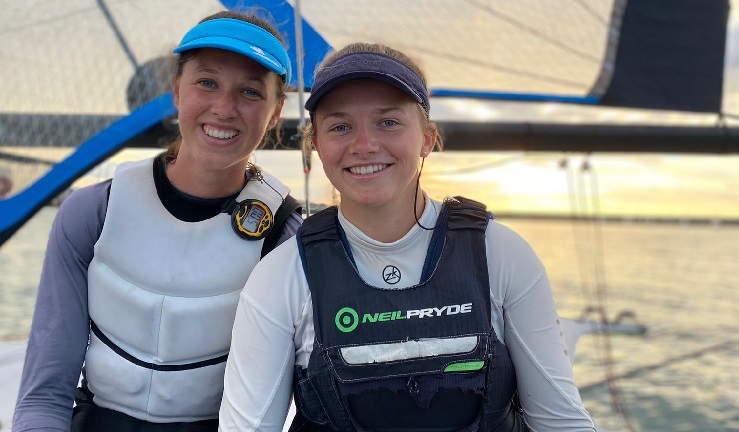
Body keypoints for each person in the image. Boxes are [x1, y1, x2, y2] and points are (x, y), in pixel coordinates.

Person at [218, 42, 597, 431]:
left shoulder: (499, 255)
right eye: (340, 126)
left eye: (388, 122)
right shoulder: (282, 276)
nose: (364, 145)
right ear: (317, 145)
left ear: (428, 138)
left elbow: (561, 421)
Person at [13, 10, 302, 432]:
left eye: (250, 92)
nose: (224, 108)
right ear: (177, 93)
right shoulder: (93, 213)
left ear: (275, 113)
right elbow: (44, 396)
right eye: (207, 82)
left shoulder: (285, 237)